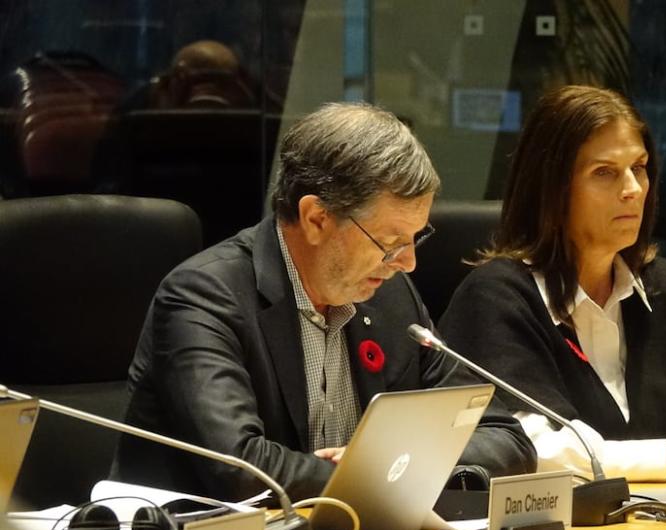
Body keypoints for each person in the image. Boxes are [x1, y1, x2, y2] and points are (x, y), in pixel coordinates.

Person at [113, 102, 536, 501]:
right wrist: (374, 475)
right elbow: (242, 469)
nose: (407, 264)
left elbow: (506, 439)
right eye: (389, 243)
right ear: (316, 218)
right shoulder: (205, 298)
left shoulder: (389, 299)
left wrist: (386, 466)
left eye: (416, 238)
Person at [439, 86, 666, 481]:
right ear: (553, 189)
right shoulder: (498, 298)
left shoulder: (661, 286)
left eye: (639, 168)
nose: (631, 189)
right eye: (605, 173)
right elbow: (535, 451)